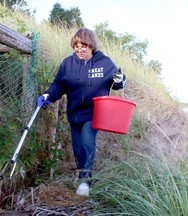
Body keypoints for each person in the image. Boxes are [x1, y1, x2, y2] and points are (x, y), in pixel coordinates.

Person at [38, 27, 126, 196]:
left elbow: (117, 81)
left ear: (91, 46)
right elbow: (59, 85)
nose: (79, 49)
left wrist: (120, 80)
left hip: (95, 113)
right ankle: (83, 175)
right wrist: (48, 95)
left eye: (83, 46)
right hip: (74, 113)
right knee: (78, 149)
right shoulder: (67, 64)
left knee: (87, 141)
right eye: (76, 46)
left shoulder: (105, 62)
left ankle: (85, 182)